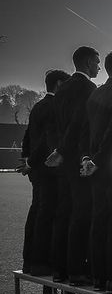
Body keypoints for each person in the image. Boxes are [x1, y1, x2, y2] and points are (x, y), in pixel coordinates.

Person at [47, 46, 101, 286]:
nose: (99, 66)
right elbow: (79, 124)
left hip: (64, 161)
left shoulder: (62, 89)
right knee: (81, 215)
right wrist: (66, 151)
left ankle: (59, 269)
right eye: (97, 62)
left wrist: (59, 151)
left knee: (64, 213)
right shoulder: (88, 88)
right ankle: (77, 269)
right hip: (79, 158)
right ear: (88, 62)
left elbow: (58, 125)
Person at [80, 51, 112, 291]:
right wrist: (98, 159)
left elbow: (88, 132)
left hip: (95, 166)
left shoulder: (95, 92)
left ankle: (97, 274)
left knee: (98, 220)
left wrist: (88, 159)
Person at [18, 69, 70, 278]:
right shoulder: (55, 106)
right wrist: (31, 161)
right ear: (59, 84)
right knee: (47, 215)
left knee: (36, 211)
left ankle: (30, 261)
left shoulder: (39, 105)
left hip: (37, 170)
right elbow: (46, 140)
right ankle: (41, 262)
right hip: (49, 169)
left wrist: (27, 160)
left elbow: (28, 137)